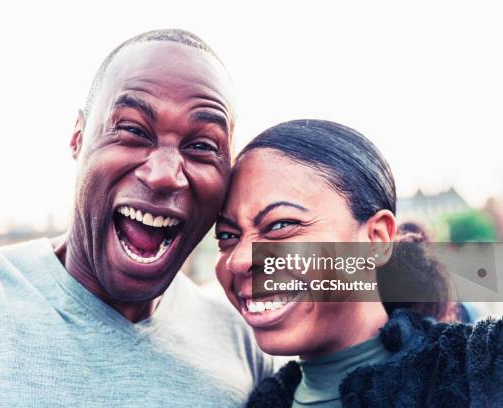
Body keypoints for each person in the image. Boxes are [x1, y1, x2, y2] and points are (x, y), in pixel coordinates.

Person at [0, 29, 271, 407]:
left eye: (201, 146)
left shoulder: (244, 341)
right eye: (134, 130)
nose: (165, 173)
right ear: (78, 137)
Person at [214, 119, 503, 408]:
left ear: (376, 239)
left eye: (280, 225)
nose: (238, 260)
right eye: (227, 235)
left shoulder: (485, 371)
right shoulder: (253, 399)